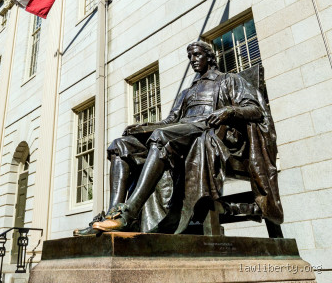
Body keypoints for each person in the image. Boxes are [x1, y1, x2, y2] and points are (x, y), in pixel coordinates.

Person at [74, 40, 283, 236]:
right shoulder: (186, 93)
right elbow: (169, 122)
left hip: (209, 132)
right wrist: (142, 127)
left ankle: (130, 212)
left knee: (161, 136)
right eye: (190, 56)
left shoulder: (229, 80)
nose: (192, 59)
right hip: (180, 134)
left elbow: (255, 109)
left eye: (197, 55)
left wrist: (228, 111)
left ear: (209, 57)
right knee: (120, 145)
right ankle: (113, 215)